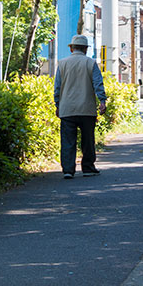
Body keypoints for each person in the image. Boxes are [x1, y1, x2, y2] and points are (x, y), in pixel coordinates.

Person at [54, 34, 107, 179]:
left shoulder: (62, 63)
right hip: (87, 109)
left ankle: (68, 170)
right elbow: (98, 84)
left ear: (71, 49)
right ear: (85, 49)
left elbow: (57, 87)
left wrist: (57, 104)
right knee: (88, 140)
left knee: (67, 141)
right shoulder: (90, 63)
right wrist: (102, 101)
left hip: (67, 109)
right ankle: (88, 167)